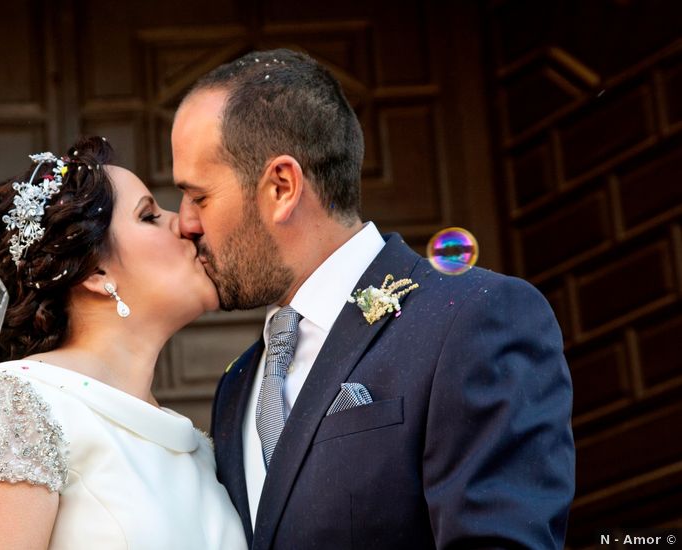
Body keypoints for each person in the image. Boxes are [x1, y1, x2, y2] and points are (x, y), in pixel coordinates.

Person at [172, 49, 575, 549]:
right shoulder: (236, 386)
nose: (185, 223)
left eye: (199, 196)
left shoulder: (474, 317)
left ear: (281, 186)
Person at [0, 137, 247, 549]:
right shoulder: (10, 410)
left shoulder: (199, 445)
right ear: (96, 272)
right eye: (149, 216)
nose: (187, 224)